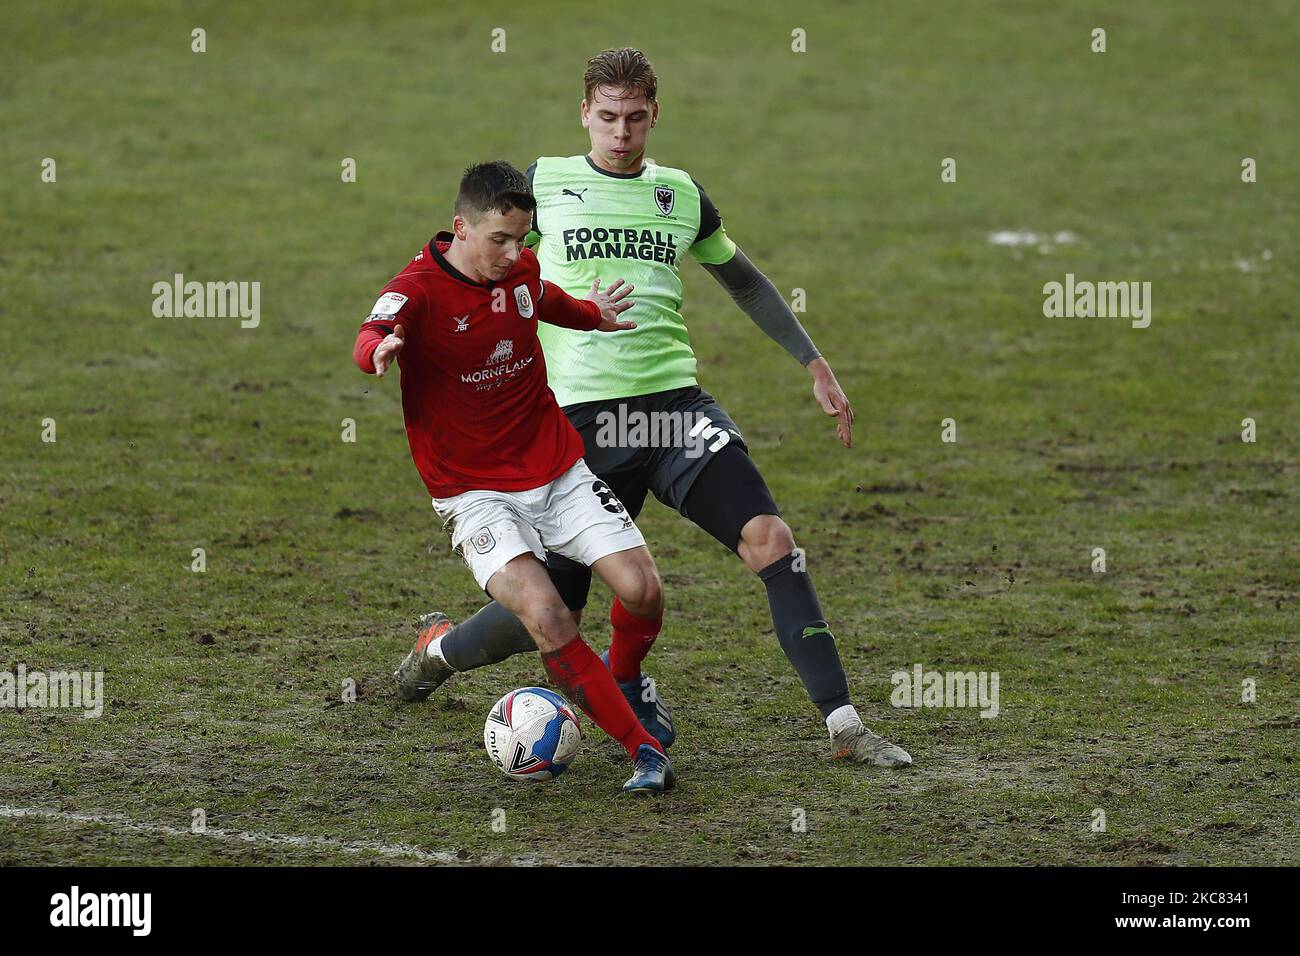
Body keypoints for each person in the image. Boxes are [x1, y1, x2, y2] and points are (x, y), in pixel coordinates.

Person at [399, 49, 911, 769]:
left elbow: (744, 281)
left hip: (673, 412)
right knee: (550, 615)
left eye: (635, 118)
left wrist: (813, 361)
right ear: (585, 114)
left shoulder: (680, 194)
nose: (620, 133)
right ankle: (439, 652)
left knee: (770, 539)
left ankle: (842, 723)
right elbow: (468, 263)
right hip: (576, 428)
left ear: (653, 116)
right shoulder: (543, 187)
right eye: (606, 117)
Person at [356, 160, 676, 794]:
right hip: (474, 494)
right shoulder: (417, 290)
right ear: (460, 228)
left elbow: (541, 298)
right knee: (550, 617)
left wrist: (591, 314)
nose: (512, 253)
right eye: (498, 239)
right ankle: (644, 751)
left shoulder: (519, 266)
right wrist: (380, 352)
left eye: (521, 239)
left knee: (643, 591)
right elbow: (372, 331)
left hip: (556, 468)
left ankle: (617, 681)